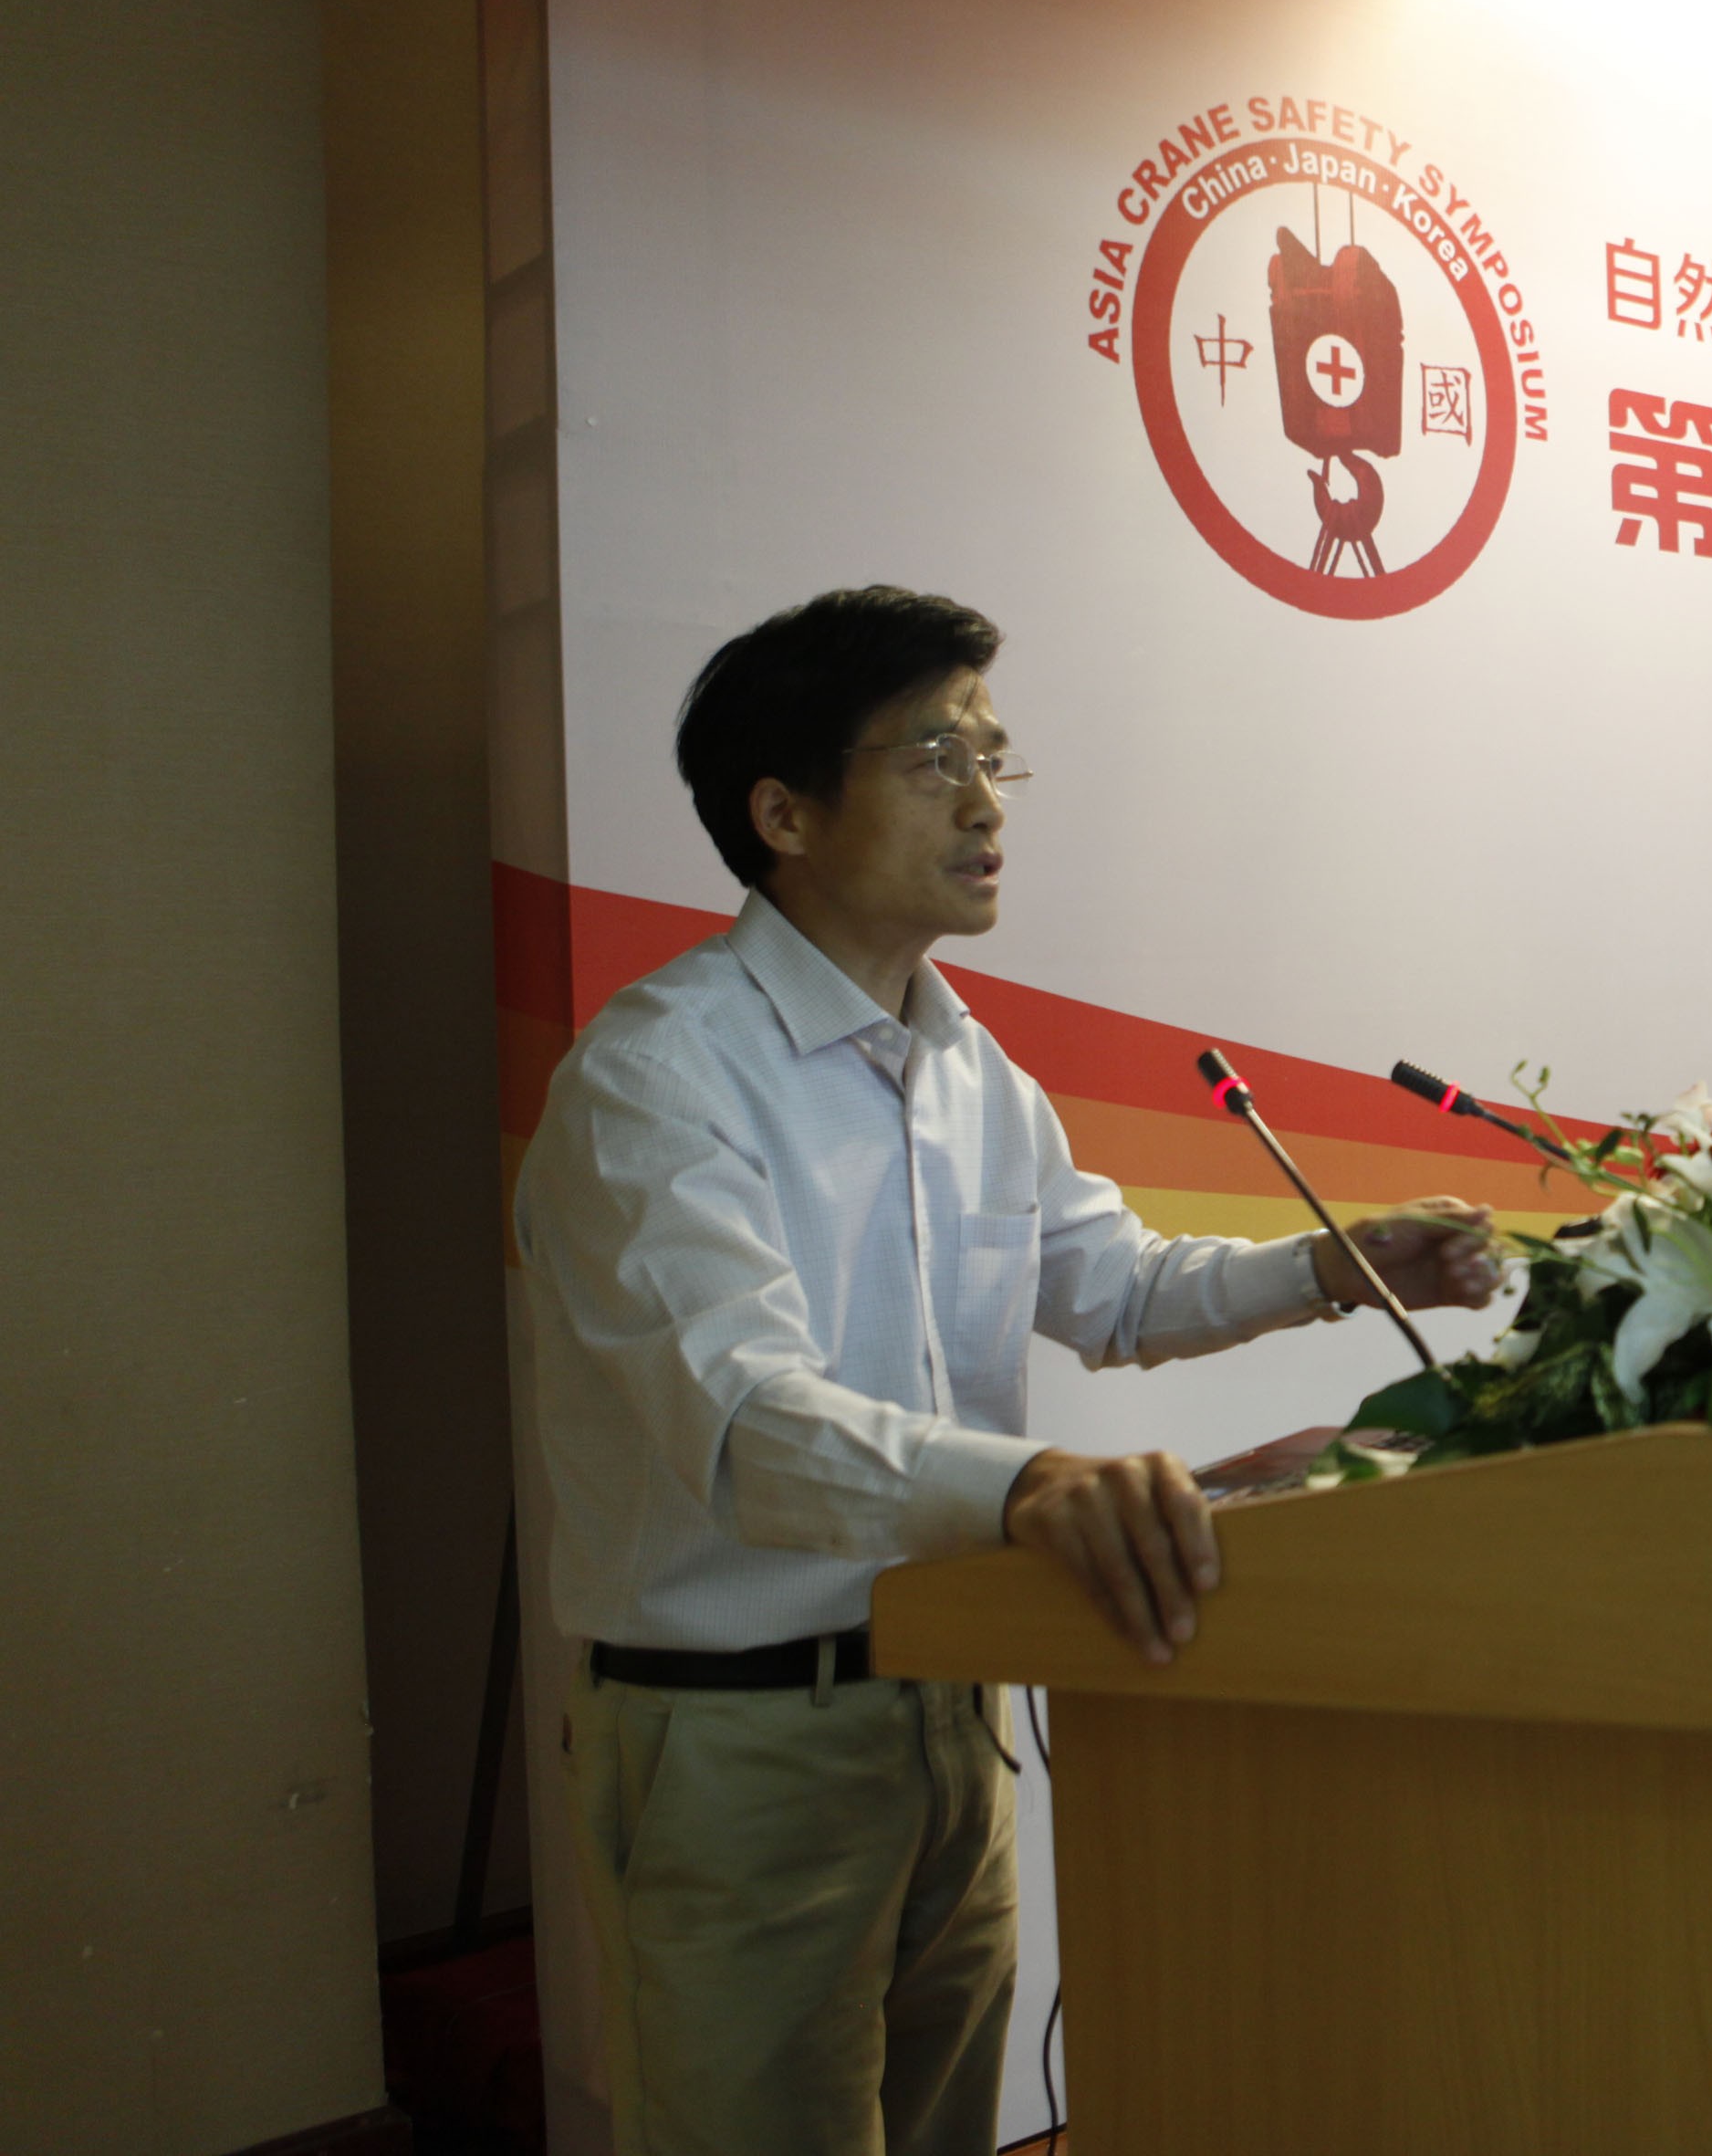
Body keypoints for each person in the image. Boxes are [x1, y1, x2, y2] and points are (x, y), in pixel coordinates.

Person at [513, 585, 1499, 2156]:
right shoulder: (657, 1076)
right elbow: (748, 1421)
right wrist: (1030, 1485)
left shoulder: (970, 1067)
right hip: (744, 1744)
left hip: (950, 1711)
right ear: (783, 813)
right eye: (931, 759)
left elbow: (1115, 1288)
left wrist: (1333, 1265)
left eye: (993, 757)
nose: (986, 803)